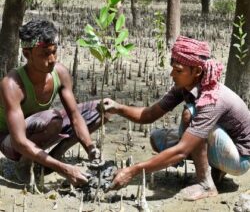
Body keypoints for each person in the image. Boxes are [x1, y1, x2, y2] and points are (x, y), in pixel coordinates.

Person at [103, 36, 250, 200]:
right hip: (221, 145)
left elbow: (182, 151)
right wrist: (118, 108)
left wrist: (133, 170)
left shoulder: (212, 98)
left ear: (197, 71)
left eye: (178, 70)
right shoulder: (184, 86)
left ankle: (206, 184)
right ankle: (216, 171)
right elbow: (150, 114)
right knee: (157, 138)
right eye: (173, 68)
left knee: (190, 116)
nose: (172, 74)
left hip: (239, 159)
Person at [0, 20, 109, 186]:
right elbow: (19, 142)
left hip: (37, 128)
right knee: (53, 120)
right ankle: (24, 167)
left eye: (54, 52)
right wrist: (64, 170)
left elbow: (74, 115)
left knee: (105, 109)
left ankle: (52, 159)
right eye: (44, 54)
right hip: (11, 141)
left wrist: (91, 149)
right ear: (27, 54)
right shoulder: (12, 85)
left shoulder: (60, 73)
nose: (52, 59)